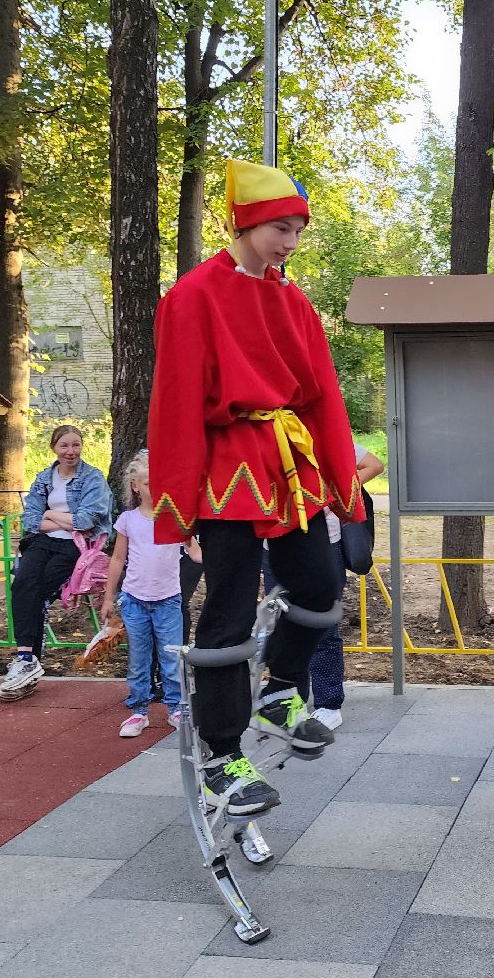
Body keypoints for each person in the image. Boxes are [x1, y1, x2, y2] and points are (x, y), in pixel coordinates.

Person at [149, 159, 364, 818]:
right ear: (244, 223)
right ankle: (221, 755)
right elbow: (176, 403)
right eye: (280, 227)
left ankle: (279, 691)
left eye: (298, 229)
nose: (290, 241)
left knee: (322, 588)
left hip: (288, 465)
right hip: (224, 471)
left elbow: (323, 394)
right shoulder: (191, 296)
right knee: (229, 613)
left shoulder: (293, 300)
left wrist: (340, 482)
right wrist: (175, 505)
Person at [0, 425, 111, 701]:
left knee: (36, 592)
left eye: (76, 445)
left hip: (76, 545)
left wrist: (50, 513)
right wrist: (59, 518)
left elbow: (86, 522)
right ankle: (26, 656)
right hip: (42, 541)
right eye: (65, 446)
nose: (71, 451)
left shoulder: (93, 478)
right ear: (54, 449)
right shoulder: (45, 478)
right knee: (23, 584)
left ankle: (27, 661)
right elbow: (31, 521)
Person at [103, 450, 200, 736]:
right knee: (139, 658)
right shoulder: (128, 520)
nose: (154, 488)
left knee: (171, 657)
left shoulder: (174, 518)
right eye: (147, 483)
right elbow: (118, 559)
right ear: (135, 486)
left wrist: (219, 561)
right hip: (134, 600)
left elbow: (193, 549)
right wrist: (109, 597)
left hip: (168, 600)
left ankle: (175, 708)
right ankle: (138, 711)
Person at [295, 443, 383, 737]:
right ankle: (290, 701)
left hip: (326, 541)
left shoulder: (325, 432)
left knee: (323, 623)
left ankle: (328, 704)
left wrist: (333, 491)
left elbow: (374, 464)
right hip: (277, 541)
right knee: (286, 624)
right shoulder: (267, 429)